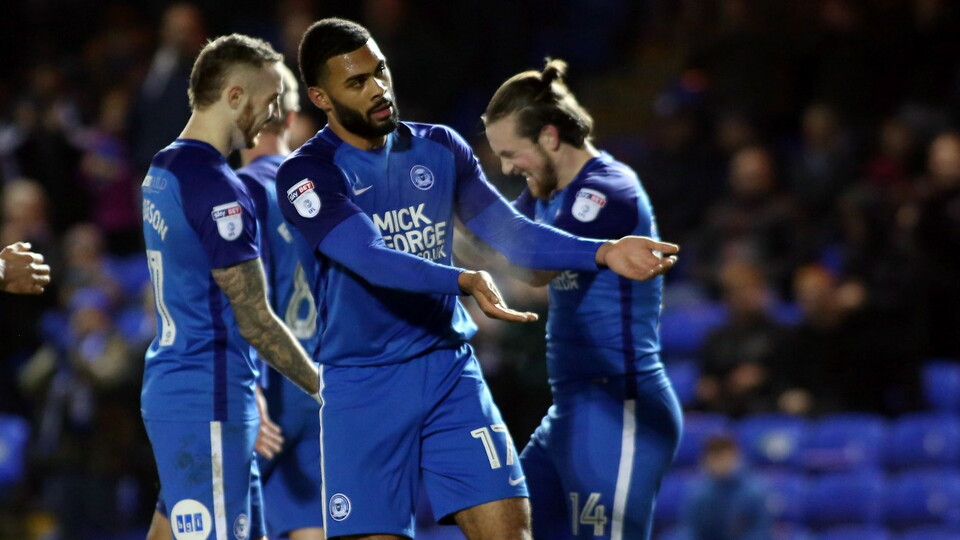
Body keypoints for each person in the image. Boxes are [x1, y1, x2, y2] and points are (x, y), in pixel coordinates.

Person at [277, 18, 678, 540]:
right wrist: (462, 280)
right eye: (356, 82)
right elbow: (370, 258)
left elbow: (511, 233)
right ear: (320, 98)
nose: (377, 88)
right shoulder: (308, 175)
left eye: (379, 71)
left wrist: (602, 251)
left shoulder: (439, 147)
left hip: (448, 371)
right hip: (363, 384)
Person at [482, 59, 683, 540]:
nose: (507, 169)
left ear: (550, 137)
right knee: (509, 528)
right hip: (572, 408)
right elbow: (496, 241)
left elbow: (533, 264)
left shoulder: (607, 189)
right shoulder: (544, 192)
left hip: (620, 406)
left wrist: (462, 221)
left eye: (511, 154)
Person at [140, 34, 319, 540]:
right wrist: (324, 390)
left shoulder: (164, 166)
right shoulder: (221, 191)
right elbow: (256, 321)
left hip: (181, 384)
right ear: (235, 96)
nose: (272, 115)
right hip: (210, 395)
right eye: (268, 100)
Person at [236, 61, 324, 540]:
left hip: (264, 393)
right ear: (291, 119)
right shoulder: (324, 188)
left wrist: (248, 392)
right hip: (321, 385)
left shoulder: (239, 192)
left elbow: (241, 300)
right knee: (311, 525)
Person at [680, 435, 772, 540]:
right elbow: (690, 530)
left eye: (724, 457)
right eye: (714, 458)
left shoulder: (754, 492)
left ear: (735, 458)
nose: (719, 464)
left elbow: (761, 531)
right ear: (705, 461)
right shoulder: (698, 494)